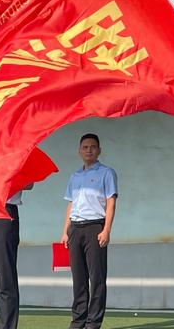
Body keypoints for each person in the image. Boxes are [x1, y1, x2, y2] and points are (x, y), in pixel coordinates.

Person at [60, 133, 118, 329]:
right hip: (76, 229)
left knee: (97, 278)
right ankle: (78, 320)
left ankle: (93, 322)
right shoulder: (74, 176)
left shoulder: (107, 173)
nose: (89, 150)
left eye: (93, 147)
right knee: (79, 278)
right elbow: (70, 204)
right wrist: (65, 231)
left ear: (99, 150)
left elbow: (111, 203)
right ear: (79, 151)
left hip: (95, 228)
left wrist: (107, 229)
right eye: (85, 147)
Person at [0, 184, 33, 329]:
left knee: (5, 277)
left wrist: (3, 179)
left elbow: (29, 183)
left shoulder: (16, 159)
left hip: (3, 210)